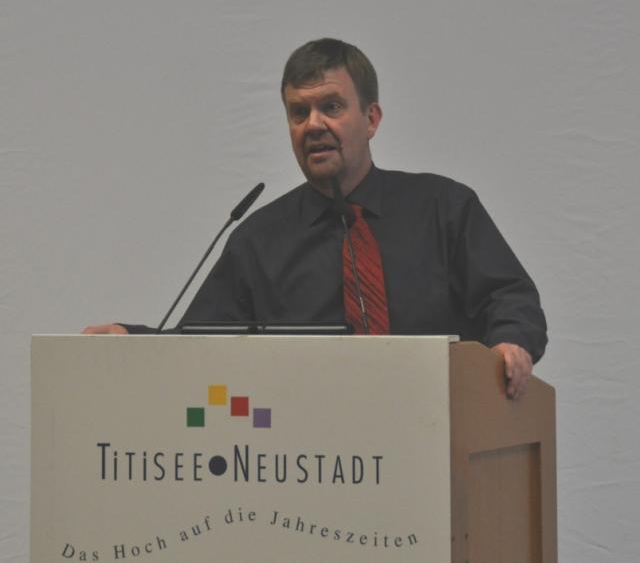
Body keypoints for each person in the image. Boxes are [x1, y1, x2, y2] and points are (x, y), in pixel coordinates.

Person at [84, 38, 547, 400]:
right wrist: (133, 339)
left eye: (331, 107)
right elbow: (202, 343)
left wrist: (510, 344)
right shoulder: (259, 239)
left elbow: (510, 297)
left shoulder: (443, 207)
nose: (313, 125)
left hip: (442, 437)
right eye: (298, 112)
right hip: (311, 460)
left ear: (371, 119)